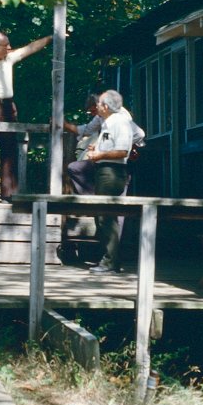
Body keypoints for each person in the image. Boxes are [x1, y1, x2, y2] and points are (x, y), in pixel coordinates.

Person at [0, 31, 52, 201]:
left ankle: (8, 193)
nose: (10, 48)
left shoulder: (8, 57)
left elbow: (30, 48)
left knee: (9, 149)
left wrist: (52, 37)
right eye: (6, 45)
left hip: (8, 106)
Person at [85, 89, 135, 274]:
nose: (96, 106)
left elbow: (123, 151)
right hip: (104, 170)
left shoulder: (120, 122)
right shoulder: (108, 122)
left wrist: (99, 154)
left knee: (106, 216)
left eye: (99, 104)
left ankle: (110, 262)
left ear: (105, 106)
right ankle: (110, 260)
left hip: (112, 173)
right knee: (103, 216)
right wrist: (97, 148)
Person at [65, 91, 145, 196]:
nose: (94, 114)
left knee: (113, 199)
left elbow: (138, 134)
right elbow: (88, 130)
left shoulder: (120, 117)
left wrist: (129, 147)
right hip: (104, 164)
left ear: (104, 106)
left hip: (117, 165)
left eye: (94, 109)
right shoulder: (103, 118)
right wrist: (97, 146)